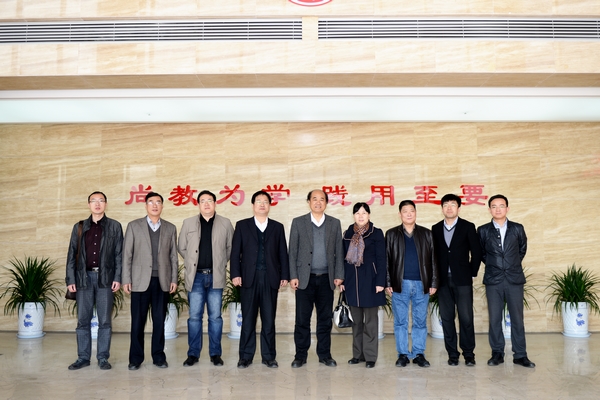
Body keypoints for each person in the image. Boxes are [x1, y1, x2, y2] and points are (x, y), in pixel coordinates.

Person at [230, 191, 289, 368]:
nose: (262, 204)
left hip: (270, 278)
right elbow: (235, 253)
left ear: (270, 205)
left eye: (265, 201)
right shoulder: (242, 225)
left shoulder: (277, 227)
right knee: (248, 320)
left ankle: (269, 356)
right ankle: (245, 357)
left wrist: (284, 275)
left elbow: (283, 253)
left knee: (268, 320)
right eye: (258, 201)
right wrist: (235, 274)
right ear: (253, 205)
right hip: (249, 278)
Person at [65, 191, 123, 370]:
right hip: (84, 279)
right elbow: (71, 254)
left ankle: (103, 357)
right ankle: (83, 357)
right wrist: (71, 279)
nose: (97, 204)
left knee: (105, 321)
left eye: (101, 200)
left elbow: (119, 255)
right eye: (93, 201)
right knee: (83, 320)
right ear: (88, 204)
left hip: (105, 279)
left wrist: (118, 277)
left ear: (106, 204)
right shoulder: (79, 227)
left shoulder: (114, 226)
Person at [122, 192, 178, 370]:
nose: (155, 205)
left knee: (159, 321)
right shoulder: (134, 226)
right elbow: (127, 255)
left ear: (162, 206)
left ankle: (159, 357)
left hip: (162, 281)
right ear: (145, 205)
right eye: (151, 202)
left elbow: (173, 257)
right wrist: (126, 279)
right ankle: (135, 359)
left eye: (158, 202)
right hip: (139, 281)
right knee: (137, 322)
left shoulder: (170, 228)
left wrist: (174, 279)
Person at [289, 189, 344, 368]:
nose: (318, 202)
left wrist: (339, 275)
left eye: (322, 199)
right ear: (309, 202)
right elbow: (292, 252)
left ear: (326, 203)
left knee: (325, 320)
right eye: (314, 199)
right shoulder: (298, 222)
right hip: (304, 279)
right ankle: (300, 355)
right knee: (302, 320)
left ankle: (325, 355)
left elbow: (339, 251)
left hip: (327, 279)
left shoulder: (334, 223)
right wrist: (293, 275)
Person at [477, 194, 535, 368]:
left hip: (514, 278)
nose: (498, 209)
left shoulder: (517, 228)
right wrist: (496, 264)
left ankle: (520, 355)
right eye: (494, 206)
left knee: (517, 318)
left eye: (501, 206)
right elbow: (481, 253)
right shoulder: (483, 230)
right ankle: (497, 353)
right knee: (495, 318)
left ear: (507, 208)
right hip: (493, 279)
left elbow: (522, 249)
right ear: (489, 210)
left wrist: (510, 264)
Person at [178, 190, 234, 367]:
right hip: (195, 277)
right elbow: (181, 247)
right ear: (198, 204)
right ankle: (193, 354)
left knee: (215, 317)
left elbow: (230, 248)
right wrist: (192, 261)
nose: (207, 204)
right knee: (194, 317)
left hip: (215, 277)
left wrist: (220, 262)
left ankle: (215, 354)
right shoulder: (188, 223)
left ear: (215, 203)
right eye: (203, 201)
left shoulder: (225, 223)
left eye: (210, 200)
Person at [386, 200, 438, 368]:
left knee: (420, 321)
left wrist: (433, 282)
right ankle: (402, 354)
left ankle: (418, 354)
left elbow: (434, 259)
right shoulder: (391, 234)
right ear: (399, 214)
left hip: (422, 284)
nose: (409, 214)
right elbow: (386, 261)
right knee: (400, 321)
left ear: (415, 213)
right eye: (405, 211)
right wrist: (388, 282)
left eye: (412, 211)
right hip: (399, 283)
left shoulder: (426, 234)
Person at [431, 194, 482, 367]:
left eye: (453, 204)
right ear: (442, 208)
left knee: (466, 318)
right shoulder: (436, 228)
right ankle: (452, 354)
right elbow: (433, 255)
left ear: (458, 208)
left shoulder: (468, 226)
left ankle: (469, 354)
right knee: (447, 318)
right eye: (446, 205)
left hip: (462, 279)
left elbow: (476, 252)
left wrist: (471, 273)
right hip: (443, 281)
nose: (449, 208)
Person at [340, 202, 386, 369]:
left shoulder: (376, 233)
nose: (361, 216)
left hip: (371, 282)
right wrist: (342, 280)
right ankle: (357, 355)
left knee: (371, 323)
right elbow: (342, 259)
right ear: (353, 215)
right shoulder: (347, 234)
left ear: (369, 215)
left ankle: (370, 356)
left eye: (364, 213)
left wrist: (380, 282)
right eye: (357, 213)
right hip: (352, 282)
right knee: (356, 323)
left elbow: (382, 259)